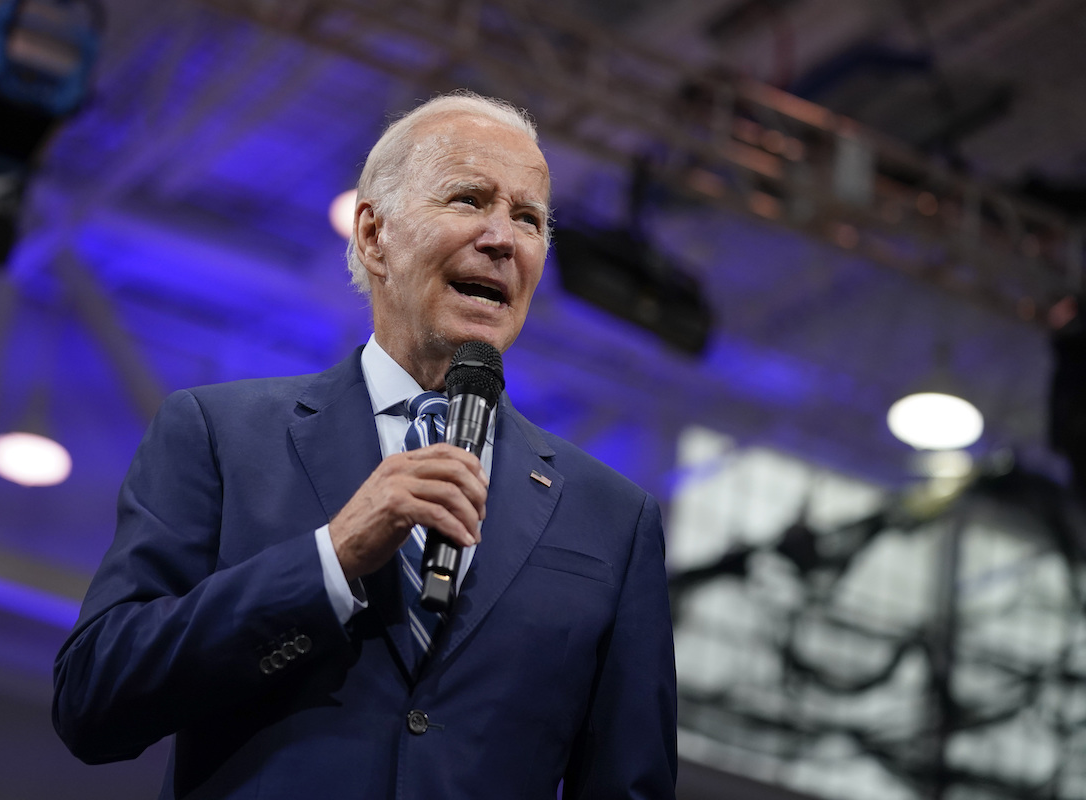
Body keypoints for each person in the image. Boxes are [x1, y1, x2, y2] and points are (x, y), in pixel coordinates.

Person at [52, 91, 677, 799]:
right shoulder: (220, 435)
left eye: (528, 218)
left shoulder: (612, 521)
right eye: (470, 200)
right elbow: (93, 696)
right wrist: (332, 558)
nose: (504, 238)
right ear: (374, 235)